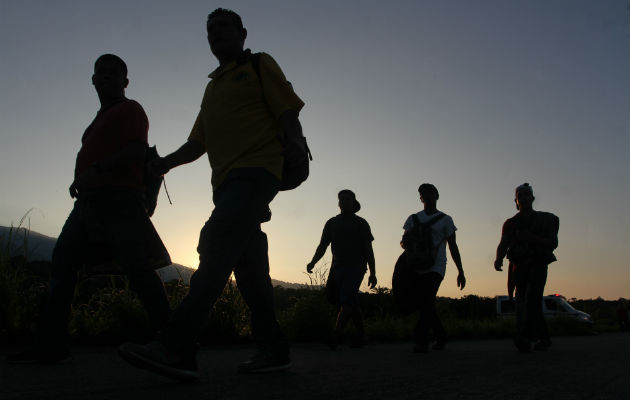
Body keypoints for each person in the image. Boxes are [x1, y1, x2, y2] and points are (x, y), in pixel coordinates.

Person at [118, 8, 306, 381]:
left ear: (243, 33)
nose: (216, 34)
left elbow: (286, 108)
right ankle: (274, 349)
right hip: (227, 186)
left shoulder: (258, 64)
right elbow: (197, 142)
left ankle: (178, 345)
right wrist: (165, 163)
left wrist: (296, 141)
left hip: (256, 173)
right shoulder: (212, 87)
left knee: (216, 245)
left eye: (224, 27)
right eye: (210, 30)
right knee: (250, 271)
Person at [8, 54, 172, 364]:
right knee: (63, 263)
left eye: (114, 73)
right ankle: (50, 345)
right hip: (89, 204)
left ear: (125, 82)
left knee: (138, 268)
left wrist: (95, 170)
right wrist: (82, 180)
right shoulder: (97, 122)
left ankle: (175, 341)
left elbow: (136, 150)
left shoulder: (130, 109)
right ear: (93, 80)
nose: (107, 77)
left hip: (120, 200)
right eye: (101, 73)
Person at [307, 190, 377, 348]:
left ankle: (336, 335)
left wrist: (372, 272)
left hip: (357, 268)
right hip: (338, 268)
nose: (344, 202)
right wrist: (313, 262)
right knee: (351, 300)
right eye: (341, 199)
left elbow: (368, 250)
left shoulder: (361, 223)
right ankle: (362, 336)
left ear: (354, 203)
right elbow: (323, 245)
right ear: (338, 203)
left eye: (348, 199)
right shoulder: (332, 223)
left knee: (346, 299)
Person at [494, 183, 559, 353]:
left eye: (526, 194)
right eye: (520, 195)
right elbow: (504, 243)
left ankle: (525, 337)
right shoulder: (510, 223)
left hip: (538, 264)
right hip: (519, 267)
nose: (523, 197)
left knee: (532, 299)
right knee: (526, 303)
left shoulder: (546, 219)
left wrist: (532, 238)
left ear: (532, 198)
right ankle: (543, 338)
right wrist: (499, 258)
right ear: (516, 200)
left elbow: (553, 243)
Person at [402, 183, 465, 353]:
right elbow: (404, 242)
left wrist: (460, 270)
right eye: (423, 194)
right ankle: (441, 335)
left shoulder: (446, 220)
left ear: (437, 196)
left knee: (426, 299)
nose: (427, 196)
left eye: (430, 193)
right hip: (415, 265)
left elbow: (453, 246)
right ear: (420, 198)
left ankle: (421, 340)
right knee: (425, 302)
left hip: (436, 267)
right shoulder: (412, 219)